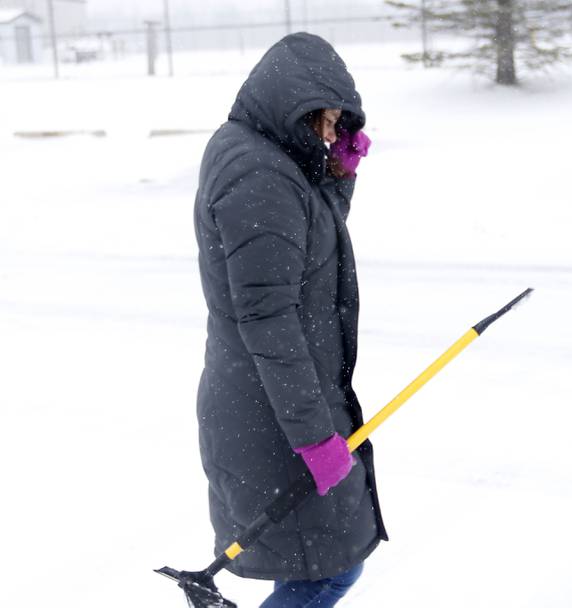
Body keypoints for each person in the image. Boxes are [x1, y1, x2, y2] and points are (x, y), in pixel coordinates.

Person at [193, 33, 387, 608]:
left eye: (336, 126)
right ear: (291, 106)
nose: (330, 136)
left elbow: (303, 247)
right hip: (272, 415)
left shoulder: (269, 161)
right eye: (323, 123)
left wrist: (340, 178)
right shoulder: (258, 173)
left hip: (276, 400)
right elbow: (268, 317)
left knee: (309, 565)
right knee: (324, 573)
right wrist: (314, 438)